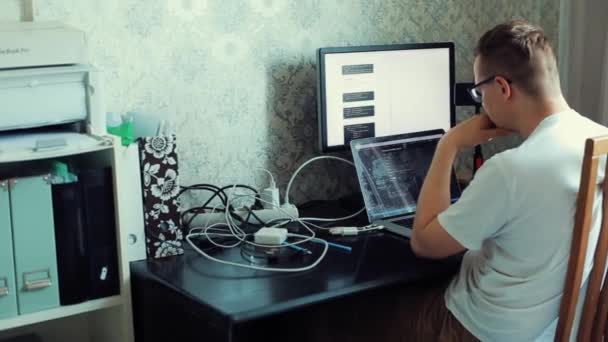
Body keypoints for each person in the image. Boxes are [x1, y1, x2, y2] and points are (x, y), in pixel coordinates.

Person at [410, 19, 608, 341]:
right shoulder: (601, 140)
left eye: (479, 91)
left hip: (483, 331)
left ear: (502, 88)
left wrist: (448, 145)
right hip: (561, 332)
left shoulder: (510, 170)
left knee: (335, 315)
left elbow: (425, 243)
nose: (481, 102)